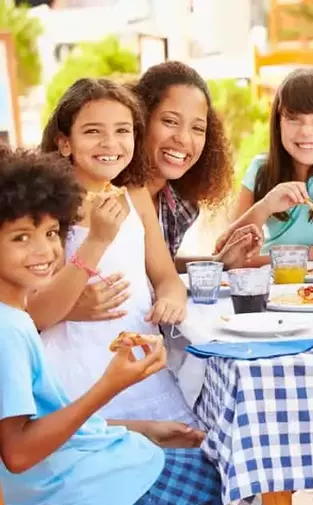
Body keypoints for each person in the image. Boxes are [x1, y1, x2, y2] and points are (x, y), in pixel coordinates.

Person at [0, 149, 221, 505]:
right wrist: (109, 385)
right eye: (21, 237)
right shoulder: (8, 331)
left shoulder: (17, 315)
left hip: (97, 460)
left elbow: (43, 419)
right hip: (85, 488)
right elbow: (18, 452)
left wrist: (138, 428)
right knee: (233, 481)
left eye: (51, 232)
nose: (44, 250)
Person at [29, 78, 194, 424]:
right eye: (92, 132)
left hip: (140, 361)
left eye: (123, 130)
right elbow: (36, 314)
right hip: (76, 372)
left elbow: (166, 277)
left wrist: (170, 299)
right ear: (64, 143)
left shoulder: (134, 196)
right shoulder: (48, 208)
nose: (110, 143)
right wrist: (97, 242)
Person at [216, 67, 313, 266]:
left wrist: (247, 261)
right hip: (270, 282)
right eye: (294, 119)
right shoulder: (260, 168)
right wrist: (265, 206)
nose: (306, 131)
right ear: (278, 123)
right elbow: (227, 248)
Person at [133, 61, 259, 269]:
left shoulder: (182, 205)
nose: (184, 139)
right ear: (140, 118)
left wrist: (219, 263)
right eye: (170, 121)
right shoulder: (109, 194)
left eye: (198, 128)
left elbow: (157, 270)